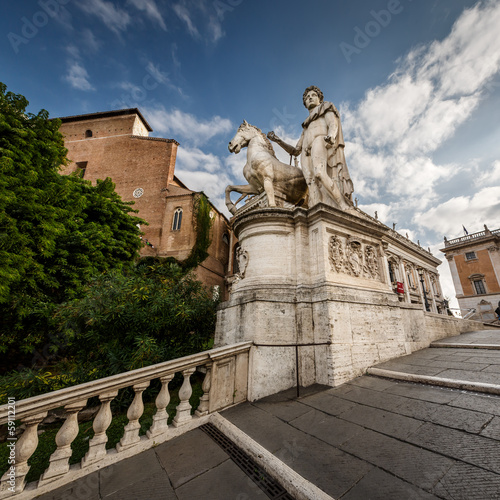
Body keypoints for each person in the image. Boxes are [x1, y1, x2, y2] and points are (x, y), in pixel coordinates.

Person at [267, 85, 354, 209]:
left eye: (313, 95)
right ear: (305, 103)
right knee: (311, 182)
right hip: (305, 152)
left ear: (320, 98)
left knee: (319, 173)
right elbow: (295, 150)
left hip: (320, 141)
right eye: (307, 97)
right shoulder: (306, 125)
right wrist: (277, 140)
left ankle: (343, 206)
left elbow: (332, 124)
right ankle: (317, 211)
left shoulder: (326, 107)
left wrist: (331, 136)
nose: (310, 98)